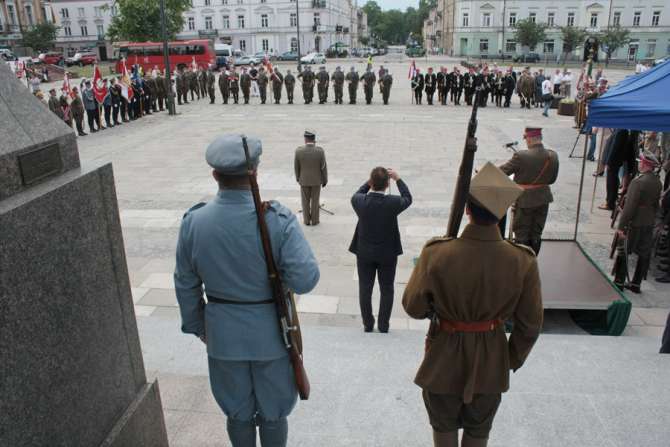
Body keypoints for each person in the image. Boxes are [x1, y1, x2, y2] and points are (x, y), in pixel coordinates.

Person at [174, 133, 320, 447]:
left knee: (237, 413)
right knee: (273, 414)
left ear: (215, 175)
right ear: (255, 171)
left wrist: (201, 327)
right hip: (271, 334)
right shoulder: (277, 220)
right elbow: (306, 278)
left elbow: (186, 284)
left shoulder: (194, 223)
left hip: (223, 336)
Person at [402, 162, 543, 447]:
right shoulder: (522, 260)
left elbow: (413, 307)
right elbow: (530, 325)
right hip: (491, 359)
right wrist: (507, 360)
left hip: (443, 358)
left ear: (467, 210)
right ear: (502, 213)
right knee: (479, 434)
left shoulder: (436, 253)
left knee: (443, 430)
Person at [349, 167, 412, 333]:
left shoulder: (360, 201)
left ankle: (368, 324)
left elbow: (356, 193)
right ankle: (383, 325)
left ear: (371, 183)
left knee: (365, 288)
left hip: (364, 252)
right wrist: (398, 179)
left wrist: (368, 183)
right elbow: (408, 198)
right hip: (387, 253)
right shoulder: (392, 202)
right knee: (387, 288)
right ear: (387, 185)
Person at [499, 127, 560, 255]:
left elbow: (502, 172)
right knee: (536, 233)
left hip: (525, 200)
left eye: (526, 139)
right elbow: (552, 179)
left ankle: (523, 263)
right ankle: (533, 260)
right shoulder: (553, 155)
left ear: (530, 139)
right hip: (544, 199)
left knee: (522, 233)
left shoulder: (521, 156)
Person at [612, 151, 662, 293]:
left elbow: (629, 207)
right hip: (649, 221)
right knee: (644, 253)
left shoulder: (638, 182)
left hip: (635, 222)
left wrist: (621, 226)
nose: (639, 164)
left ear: (645, 164)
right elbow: (656, 205)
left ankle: (619, 281)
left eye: (641, 162)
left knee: (624, 250)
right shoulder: (658, 182)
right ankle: (636, 284)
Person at [294, 131, 328, 226]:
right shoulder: (320, 151)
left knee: (305, 201)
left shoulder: (298, 151)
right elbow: (323, 167)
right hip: (316, 180)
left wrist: (298, 178)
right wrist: (325, 179)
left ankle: (306, 221)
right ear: (314, 139)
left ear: (305, 139)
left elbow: (296, 167)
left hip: (304, 180)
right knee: (315, 201)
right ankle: (315, 220)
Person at [599, 130, 638, 211]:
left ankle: (610, 202)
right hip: (614, 160)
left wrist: (609, 161)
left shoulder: (622, 130)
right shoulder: (622, 129)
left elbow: (615, 146)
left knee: (611, 181)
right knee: (613, 180)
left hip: (614, 161)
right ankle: (611, 200)